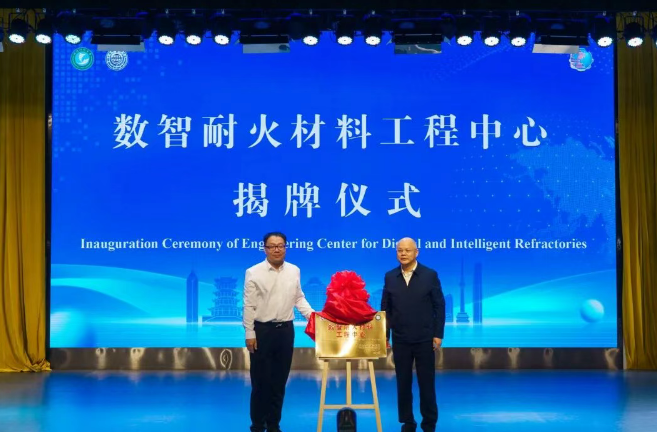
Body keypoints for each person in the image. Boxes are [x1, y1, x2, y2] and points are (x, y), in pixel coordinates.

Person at [243, 232, 314, 432]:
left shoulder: (294, 270)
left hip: (285, 332)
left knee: (279, 382)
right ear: (264, 249)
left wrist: (314, 318)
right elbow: (249, 305)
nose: (277, 249)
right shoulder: (253, 272)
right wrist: (249, 332)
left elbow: (298, 298)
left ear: (285, 247)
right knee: (260, 383)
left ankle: (274, 425)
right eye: (272, 246)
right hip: (262, 331)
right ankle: (258, 425)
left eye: (280, 245)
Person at [381, 238, 446, 432]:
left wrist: (438, 334)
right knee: (403, 383)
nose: (403, 254)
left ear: (416, 252)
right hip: (400, 339)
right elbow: (385, 309)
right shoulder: (390, 276)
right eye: (399, 250)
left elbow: (439, 306)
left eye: (407, 250)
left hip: (425, 338)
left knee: (427, 383)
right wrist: (384, 335)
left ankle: (429, 423)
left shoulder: (430, 275)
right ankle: (407, 421)